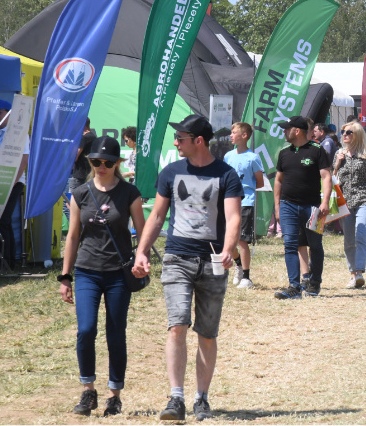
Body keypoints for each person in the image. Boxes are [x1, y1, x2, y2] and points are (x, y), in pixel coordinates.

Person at [132, 115, 243, 421]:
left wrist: (228, 249)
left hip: (212, 261)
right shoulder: (170, 172)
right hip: (176, 258)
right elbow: (156, 217)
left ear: (198, 141)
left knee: (206, 333)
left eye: (180, 138)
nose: (175, 142)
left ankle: (202, 398)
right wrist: (141, 252)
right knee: (177, 325)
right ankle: (176, 398)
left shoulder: (226, 175)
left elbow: (233, 218)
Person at [59, 135, 145, 417]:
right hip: (87, 271)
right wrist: (65, 275)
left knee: (115, 332)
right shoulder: (80, 194)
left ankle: (114, 395)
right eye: (96, 161)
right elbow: (72, 236)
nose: (101, 166)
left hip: (118, 272)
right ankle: (87, 391)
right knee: (86, 330)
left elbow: (142, 232)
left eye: (107, 162)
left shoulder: (129, 193)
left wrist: (141, 258)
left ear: (117, 163)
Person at [271, 115, 333, 299]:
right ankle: (294, 287)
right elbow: (278, 181)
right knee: (290, 245)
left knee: (315, 245)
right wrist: (277, 207)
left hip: (313, 207)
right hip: (288, 206)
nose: (283, 131)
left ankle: (314, 284)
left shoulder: (317, 150)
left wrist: (325, 202)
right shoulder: (284, 153)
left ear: (297, 131)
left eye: (286, 129)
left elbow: (326, 177)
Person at [0, 100, 29, 270]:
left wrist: (11, 182)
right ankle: (2, 260)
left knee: (3, 221)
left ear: (9, 114)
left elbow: (24, 160)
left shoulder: (18, 133)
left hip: (11, 182)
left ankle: (9, 261)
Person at [335, 122, 366, 287]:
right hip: (344, 201)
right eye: (343, 132)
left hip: (363, 199)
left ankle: (359, 272)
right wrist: (338, 164)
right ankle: (352, 274)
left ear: (357, 135)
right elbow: (331, 178)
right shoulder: (339, 154)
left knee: (360, 233)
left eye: (349, 132)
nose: (345, 135)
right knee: (348, 239)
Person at [223, 122, 265, 289]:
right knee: (228, 239)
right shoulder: (228, 156)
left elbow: (259, 182)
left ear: (245, 136)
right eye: (231, 132)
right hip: (228, 202)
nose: (231, 135)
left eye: (234, 132)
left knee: (242, 240)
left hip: (246, 202)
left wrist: (244, 188)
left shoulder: (253, 157)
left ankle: (246, 277)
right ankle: (238, 264)